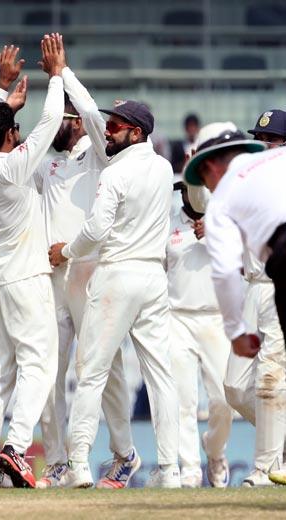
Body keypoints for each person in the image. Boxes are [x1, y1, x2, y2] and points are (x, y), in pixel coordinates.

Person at [50, 99, 181, 488]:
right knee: (161, 377)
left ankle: (78, 464)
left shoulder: (117, 172)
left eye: (116, 125)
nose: (106, 130)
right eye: (108, 123)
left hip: (117, 274)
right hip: (153, 278)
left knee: (91, 373)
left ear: (136, 133)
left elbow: (96, 231)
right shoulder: (162, 166)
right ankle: (170, 470)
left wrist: (66, 251)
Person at [33, 43, 136, 489]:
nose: (57, 126)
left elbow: (95, 115)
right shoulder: (45, 161)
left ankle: (122, 453)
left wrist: (63, 72)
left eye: (63, 120)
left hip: (90, 271)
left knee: (100, 368)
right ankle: (58, 462)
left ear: (75, 123)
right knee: (48, 370)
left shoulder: (97, 152)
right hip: (53, 277)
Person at [0, 35, 63, 489]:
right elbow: (49, 123)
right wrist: (57, 75)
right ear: (11, 137)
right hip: (26, 279)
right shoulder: (15, 166)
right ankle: (16, 448)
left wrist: (2, 91)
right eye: (14, 130)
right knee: (40, 364)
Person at [183, 121, 286, 486]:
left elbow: (222, 272)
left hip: (276, 276)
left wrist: (235, 332)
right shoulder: (264, 170)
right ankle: (278, 446)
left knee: (271, 378)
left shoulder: (229, 189)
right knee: (235, 387)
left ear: (210, 166)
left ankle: (263, 470)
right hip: (256, 284)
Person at [166, 176, 232, 488]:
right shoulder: (169, 225)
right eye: (185, 189)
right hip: (177, 318)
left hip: (215, 319)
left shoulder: (223, 221)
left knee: (223, 399)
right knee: (183, 400)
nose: (190, 195)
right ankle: (190, 469)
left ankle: (215, 451)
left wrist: (216, 233)